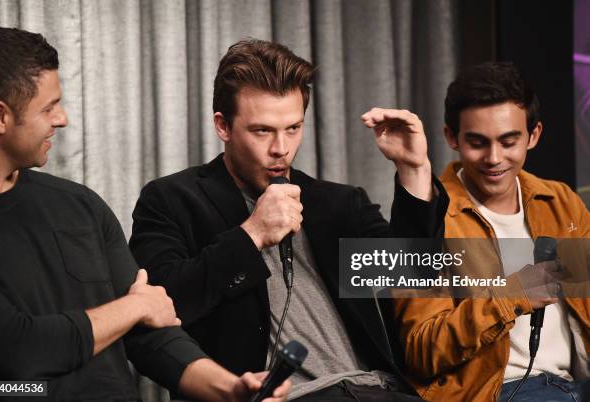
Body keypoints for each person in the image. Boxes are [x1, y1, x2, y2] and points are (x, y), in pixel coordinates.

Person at [0, 27, 290, 402]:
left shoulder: (81, 206)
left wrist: (230, 389)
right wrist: (136, 306)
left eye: (294, 128)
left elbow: (151, 333)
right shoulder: (172, 199)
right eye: (48, 107)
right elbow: (17, 352)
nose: (62, 119)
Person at [129, 38, 448, 401]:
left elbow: (413, 276)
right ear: (223, 126)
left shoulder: (339, 203)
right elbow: (161, 307)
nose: (281, 148)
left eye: (293, 128)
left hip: (376, 389)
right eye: (262, 131)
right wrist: (251, 235)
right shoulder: (173, 200)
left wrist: (414, 170)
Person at [393, 62, 590, 401]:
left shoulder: (560, 201)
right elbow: (420, 351)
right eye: (478, 142)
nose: (494, 158)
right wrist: (509, 296)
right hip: (500, 390)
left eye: (509, 141)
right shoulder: (425, 218)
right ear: (451, 137)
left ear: (534, 135)